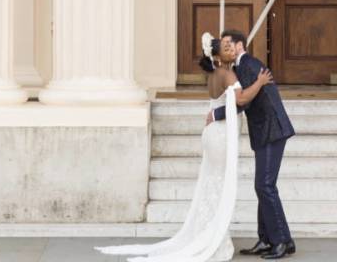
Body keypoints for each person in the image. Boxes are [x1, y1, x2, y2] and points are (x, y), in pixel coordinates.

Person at [95, 33, 272, 262]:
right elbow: (240, 100)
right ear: (217, 55)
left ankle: (208, 232)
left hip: (212, 134)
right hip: (220, 136)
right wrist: (259, 82)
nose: (231, 50)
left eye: (231, 46)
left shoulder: (215, 74)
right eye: (226, 47)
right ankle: (213, 238)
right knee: (218, 186)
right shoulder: (227, 74)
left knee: (212, 184)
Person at [210, 30, 296, 260]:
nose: (225, 47)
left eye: (228, 43)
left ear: (239, 45)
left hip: (272, 130)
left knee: (265, 186)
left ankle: (281, 242)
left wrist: (216, 113)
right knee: (263, 186)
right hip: (265, 131)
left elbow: (243, 100)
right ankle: (269, 239)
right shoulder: (240, 67)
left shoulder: (247, 64)